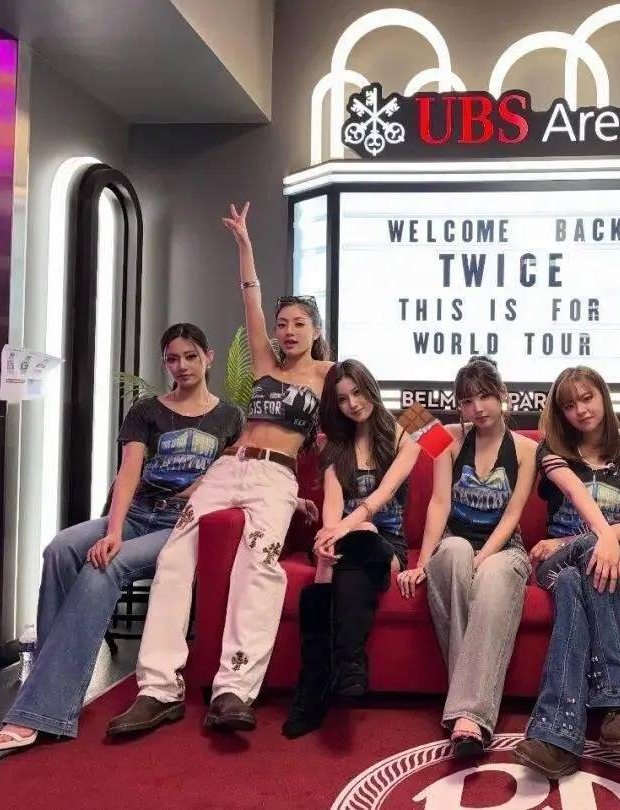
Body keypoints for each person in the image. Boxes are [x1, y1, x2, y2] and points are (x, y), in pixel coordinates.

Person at [108, 203, 330, 736]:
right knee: (173, 558)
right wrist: (245, 245)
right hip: (229, 469)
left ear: (316, 329)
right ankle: (157, 689)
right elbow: (250, 297)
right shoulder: (264, 362)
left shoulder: (329, 373)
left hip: (276, 477)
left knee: (260, 566)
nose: (288, 330)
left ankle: (233, 690)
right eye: (283, 323)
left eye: (299, 323)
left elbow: (360, 419)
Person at [0, 324, 244, 752]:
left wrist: (189, 496)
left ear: (208, 357)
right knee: (61, 548)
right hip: (138, 512)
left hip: (180, 524)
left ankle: (39, 711)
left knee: (105, 566)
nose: (182, 366)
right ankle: (50, 681)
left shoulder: (230, 417)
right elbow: (128, 472)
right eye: (173, 358)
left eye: (191, 356)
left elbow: (229, 477)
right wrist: (114, 529)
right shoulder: (146, 411)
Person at [512, 366, 620, 781]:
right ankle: (616, 701)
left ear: (603, 397)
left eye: (587, 398)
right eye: (570, 405)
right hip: (558, 562)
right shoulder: (552, 450)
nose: (581, 410)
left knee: (577, 581)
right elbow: (575, 492)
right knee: (578, 565)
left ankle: (556, 738)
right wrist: (594, 539)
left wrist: (596, 540)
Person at [398, 356, 537, 756]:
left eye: (486, 396)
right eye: (467, 401)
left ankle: (468, 717)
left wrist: (484, 556)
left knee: (492, 573)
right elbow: (439, 503)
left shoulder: (528, 448)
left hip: (504, 547)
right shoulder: (447, 439)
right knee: (456, 550)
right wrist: (421, 564)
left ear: (503, 396)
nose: (478, 408)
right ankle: (471, 711)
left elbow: (513, 514)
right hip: (455, 542)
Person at [283, 359, 421, 738]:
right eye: (343, 399)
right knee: (333, 560)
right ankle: (338, 671)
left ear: (371, 389)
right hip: (346, 543)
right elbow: (332, 502)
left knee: (365, 531)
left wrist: (345, 527)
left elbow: (381, 496)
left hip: (386, 546)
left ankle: (319, 681)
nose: (353, 404)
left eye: (358, 393)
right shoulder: (335, 447)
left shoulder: (402, 441)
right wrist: (328, 536)